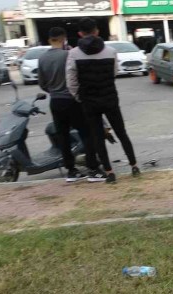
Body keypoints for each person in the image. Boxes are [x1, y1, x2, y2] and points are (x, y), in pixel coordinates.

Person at [66, 17, 140, 184]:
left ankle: (109, 172)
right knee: (121, 132)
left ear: (80, 33)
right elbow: (114, 73)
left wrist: (80, 97)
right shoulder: (110, 51)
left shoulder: (73, 53)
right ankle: (134, 165)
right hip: (109, 98)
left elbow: (71, 81)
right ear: (97, 31)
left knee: (97, 137)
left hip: (89, 101)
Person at [38, 27, 103, 182]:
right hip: (72, 100)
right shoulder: (68, 55)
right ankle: (93, 169)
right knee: (86, 134)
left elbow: (42, 83)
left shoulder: (42, 59)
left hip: (55, 101)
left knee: (63, 136)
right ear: (64, 39)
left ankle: (71, 171)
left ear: (49, 40)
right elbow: (77, 77)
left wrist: (54, 90)